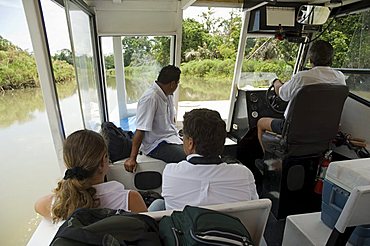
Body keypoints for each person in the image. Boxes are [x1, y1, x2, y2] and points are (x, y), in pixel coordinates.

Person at [149, 108, 258, 211]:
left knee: (159, 204)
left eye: (183, 136)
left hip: (185, 230)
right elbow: (254, 208)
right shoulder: (244, 174)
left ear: (190, 143)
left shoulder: (170, 172)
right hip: (232, 229)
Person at [35, 130, 147, 223]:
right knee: (157, 204)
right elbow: (147, 230)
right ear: (103, 162)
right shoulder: (130, 199)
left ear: (67, 164)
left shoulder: (57, 204)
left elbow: (38, 206)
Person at [257, 40, 346, 152]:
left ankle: (265, 161)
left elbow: (283, 94)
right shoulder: (340, 77)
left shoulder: (303, 78)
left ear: (310, 59)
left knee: (260, 122)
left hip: (295, 129)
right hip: (324, 129)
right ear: (331, 58)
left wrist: (276, 82)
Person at [124, 65, 186, 173]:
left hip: (171, 138)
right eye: (177, 83)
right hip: (156, 145)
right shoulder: (150, 98)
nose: (177, 86)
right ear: (172, 84)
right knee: (188, 157)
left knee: (196, 151)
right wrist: (132, 158)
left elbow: (172, 120)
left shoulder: (168, 95)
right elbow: (140, 130)